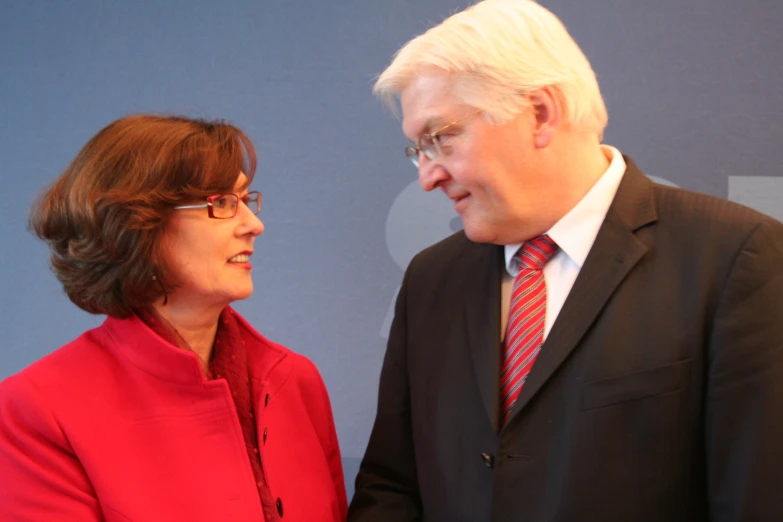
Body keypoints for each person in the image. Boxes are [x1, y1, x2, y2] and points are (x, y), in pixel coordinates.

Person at [348, 1, 783, 520]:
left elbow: (755, 498)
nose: (427, 176)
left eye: (440, 138)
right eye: (418, 149)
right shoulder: (431, 280)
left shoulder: (736, 258)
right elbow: (392, 484)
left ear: (540, 113)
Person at [0, 115, 348, 522]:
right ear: (135, 225)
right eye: (222, 203)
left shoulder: (297, 381)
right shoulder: (37, 409)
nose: (254, 225)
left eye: (246, 200)